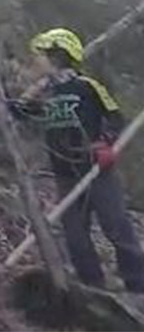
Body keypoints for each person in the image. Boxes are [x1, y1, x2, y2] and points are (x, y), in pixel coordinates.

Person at [10, 27, 144, 293]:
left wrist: (107, 143)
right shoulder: (45, 93)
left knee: (115, 225)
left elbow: (116, 117)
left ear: (58, 56)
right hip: (65, 173)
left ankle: (138, 284)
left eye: (43, 55)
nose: (37, 61)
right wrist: (13, 107)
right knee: (75, 234)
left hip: (97, 170)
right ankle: (92, 286)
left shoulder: (87, 87)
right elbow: (27, 113)